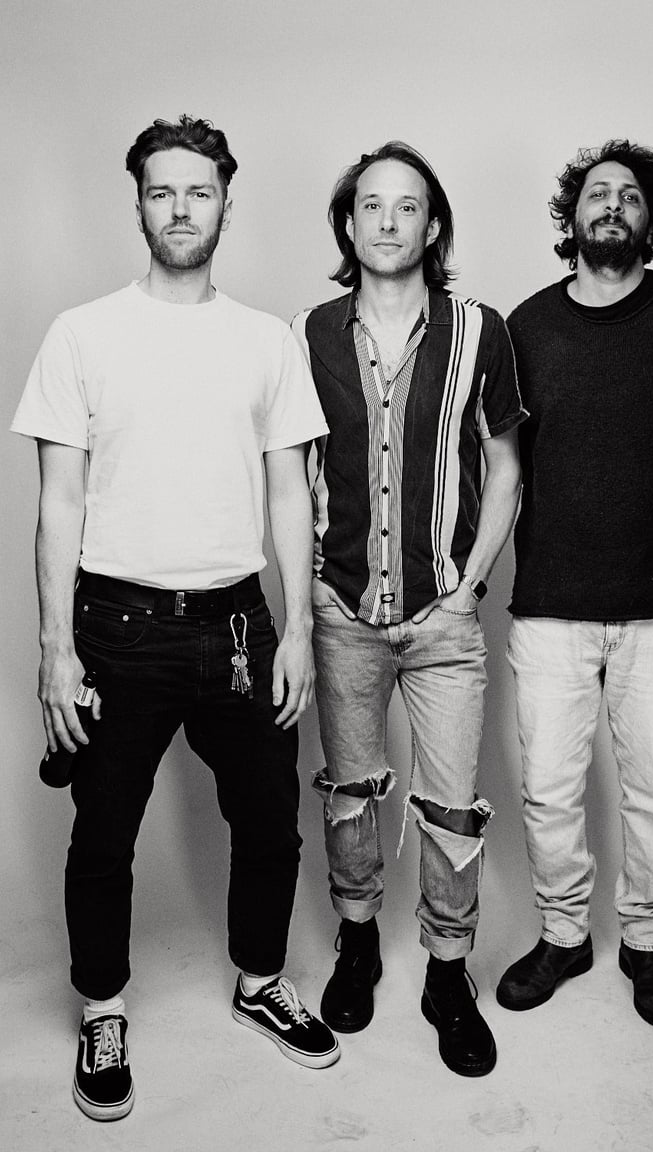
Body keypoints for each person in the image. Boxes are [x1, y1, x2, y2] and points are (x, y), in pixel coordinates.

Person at [11, 114, 339, 1123]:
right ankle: (103, 1008)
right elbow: (59, 499)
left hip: (240, 628)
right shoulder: (83, 333)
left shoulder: (266, 340)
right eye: (163, 190)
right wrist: (56, 647)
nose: (182, 207)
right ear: (139, 204)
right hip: (114, 626)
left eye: (200, 190)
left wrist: (298, 633)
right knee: (103, 834)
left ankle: (257, 980)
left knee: (273, 826)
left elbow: (291, 494)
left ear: (227, 202)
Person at [496, 140, 653, 1028]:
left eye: (631, 196)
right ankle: (564, 935)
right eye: (596, 195)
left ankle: (645, 945)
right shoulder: (525, 328)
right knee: (549, 787)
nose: (613, 206)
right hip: (552, 607)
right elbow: (502, 462)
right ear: (571, 219)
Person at [291, 141, 526, 1077]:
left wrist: (469, 583)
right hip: (343, 611)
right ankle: (355, 945)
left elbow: (505, 465)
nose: (389, 223)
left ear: (435, 226)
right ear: (350, 225)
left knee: (450, 806)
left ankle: (446, 972)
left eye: (409, 208)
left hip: (442, 619)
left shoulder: (482, 331)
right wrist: (309, 574)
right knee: (350, 793)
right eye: (372, 207)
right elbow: (290, 468)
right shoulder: (308, 332)